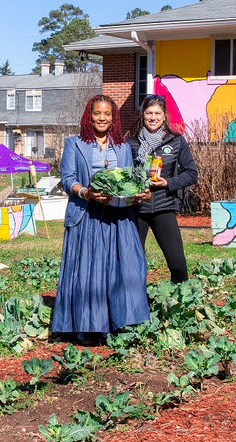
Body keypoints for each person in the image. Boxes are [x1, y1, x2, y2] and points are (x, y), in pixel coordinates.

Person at [51, 94, 151, 342]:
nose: (102, 118)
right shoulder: (74, 144)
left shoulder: (122, 146)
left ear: (113, 117)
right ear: (89, 115)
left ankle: (122, 321)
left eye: (107, 114)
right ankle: (87, 326)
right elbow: (67, 179)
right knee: (88, 270)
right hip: (87, 215)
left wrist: (138, 194)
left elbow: (128, 181)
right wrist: (86, 192)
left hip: (117, 217)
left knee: (122, 268)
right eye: (97, 113)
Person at [127, 94, 198, 283]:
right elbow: (124, 173)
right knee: (133, 264)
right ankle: (138, 304)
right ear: (143, 115)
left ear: (164, 115)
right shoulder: (131, 142)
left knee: (177, 263)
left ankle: (179, 302)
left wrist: (168, 182)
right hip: (137, 210)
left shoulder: (176, 141)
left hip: (164, 207)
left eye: (157, 113)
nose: (153, 117)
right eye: (149, 113)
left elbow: (192, 173)